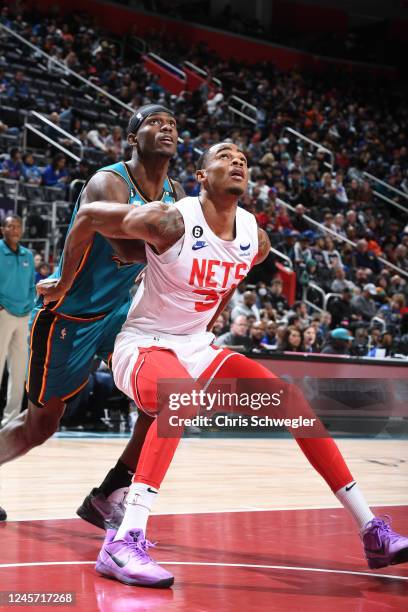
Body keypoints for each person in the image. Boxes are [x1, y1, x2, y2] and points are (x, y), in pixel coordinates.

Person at [40, 142, 408, 587]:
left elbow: (231, 275)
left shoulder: (256, 239)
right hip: (142, 345)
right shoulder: (170, 218)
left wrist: (211, 318)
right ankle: (123, 542)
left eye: (243, 160)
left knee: (291, 401)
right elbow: (88, 216)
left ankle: (371, 529)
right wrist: (63, 279)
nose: (237, 162)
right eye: (225, 156)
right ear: (200, 175)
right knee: (178, 399)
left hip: (197, 346)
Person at [0, 105, 184, 529]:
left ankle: (108, 495)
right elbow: (126, 248)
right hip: (71, 315)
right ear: (134, 137)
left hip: (120, 314)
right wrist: (186, 251)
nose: (166, 128)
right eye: (155, 123)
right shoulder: (109, 182)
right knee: (39, 427)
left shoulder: (172, 193)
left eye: (172, 124)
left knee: (165, 397)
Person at [0, 215, 35, 429]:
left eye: (18, 226)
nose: (14, 229)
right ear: (2, 229)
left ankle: (11, 419)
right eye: (10, 226)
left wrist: (30, 305)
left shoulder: (28, 255)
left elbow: (32, 284)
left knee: (19, 368)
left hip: (24, 316)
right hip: (3, 313)